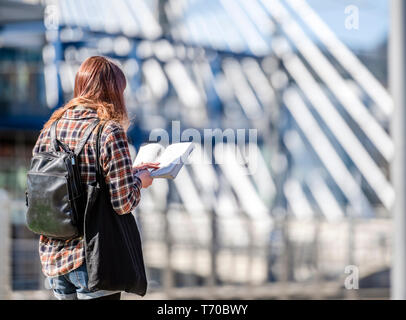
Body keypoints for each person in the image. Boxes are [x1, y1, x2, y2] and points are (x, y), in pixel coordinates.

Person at [33, 56, 159, 300]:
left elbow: (69, 180)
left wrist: (130, 172)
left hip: (54, 256)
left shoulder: (51, 127)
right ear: (113, 91)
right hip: (91, 258)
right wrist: (140, 181)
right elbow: (123, 202)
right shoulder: (109, 130)